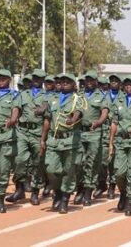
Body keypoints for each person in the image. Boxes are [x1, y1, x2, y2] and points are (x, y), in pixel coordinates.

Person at [40, 73, 85, 214]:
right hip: (54, 139)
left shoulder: (78, 98)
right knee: (51, 169)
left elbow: (78, 112)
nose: (64, 83)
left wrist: (72, 120)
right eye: (61, 81)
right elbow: (47, 120)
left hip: (70, 140)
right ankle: (58, 191)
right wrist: (42, 138)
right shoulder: (52, 98)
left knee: (69, 171)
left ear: (73, 84)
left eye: (67, 81)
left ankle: (65, 197)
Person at [108, 75, 131, 216]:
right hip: (120, 140)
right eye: (126, 84)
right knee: (119, 172)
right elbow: (114, 123)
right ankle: (123, 192)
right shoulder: (118, 101)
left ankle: (130, 201)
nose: (129, 87)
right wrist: (111, 142)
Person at [10, 69, 47, 206]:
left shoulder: (47, 96)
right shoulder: (23, 94)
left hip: (38, 131)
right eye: (34, 78)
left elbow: (48, 111)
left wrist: (45, 107)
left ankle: (35, 192)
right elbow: (16, 108)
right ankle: (19, 189)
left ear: (43, 80)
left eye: (39, 78)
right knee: (19, 159)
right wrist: (13, 119)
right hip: (23, 131)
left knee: (38, 163)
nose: (36, 80)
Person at [76, 70, 110, 206]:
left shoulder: (101, 96)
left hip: (94, 133)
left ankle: (88, 192)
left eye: (91, 80)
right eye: (87, 80)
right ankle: (80, 188)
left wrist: (99, 122)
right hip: (79, 132)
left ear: (96, 82)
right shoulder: (79, 95)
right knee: (78, 162)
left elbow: (104, 113)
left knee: (91, 162)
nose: (89, 83)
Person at [0, 69, 21, 213]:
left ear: (9, 80)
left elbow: (16, 110)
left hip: (6, 137)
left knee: (3, 170)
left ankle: (0, 199)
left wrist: (12, 120)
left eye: (2, 79)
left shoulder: (14, 95)